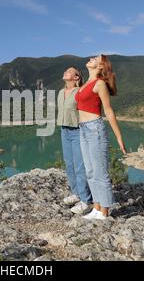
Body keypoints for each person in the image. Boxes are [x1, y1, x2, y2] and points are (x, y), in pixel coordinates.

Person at [75, 55, 126, 220]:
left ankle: (104, 212)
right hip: (83, 129)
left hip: (95, 129)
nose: (91, 58)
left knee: (100, 171)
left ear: (101, 66)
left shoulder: (99, 84)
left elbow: (109, 111)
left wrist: (119, 137)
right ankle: (96, 208)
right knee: (90, 171)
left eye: (95, 58)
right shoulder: (84, 85)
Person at [57, 67, 93, 214]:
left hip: (78, 131)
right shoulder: (60, 92)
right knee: (69, 164)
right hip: (64, 130)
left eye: (70, 71)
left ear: (77, 78)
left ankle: (86, 200)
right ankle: (76, 193)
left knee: (79, 166)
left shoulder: (80, 92)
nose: (65, 71)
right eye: (65, 70)